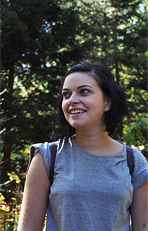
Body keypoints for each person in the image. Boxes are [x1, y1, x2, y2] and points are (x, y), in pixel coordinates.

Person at [18, 61, 148, 231]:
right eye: (66, 94)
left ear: (107, 102)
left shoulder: (133, 161)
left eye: (84, 92)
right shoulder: (47, 157)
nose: (72, 100)